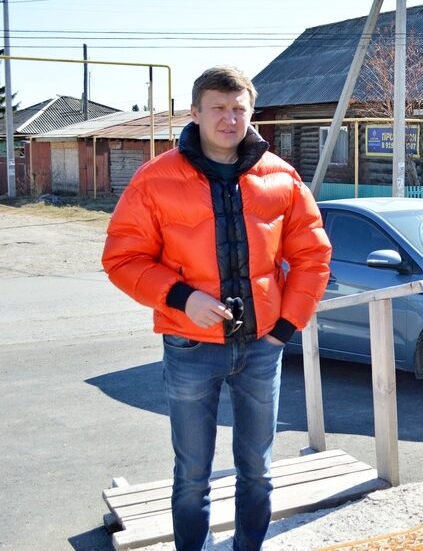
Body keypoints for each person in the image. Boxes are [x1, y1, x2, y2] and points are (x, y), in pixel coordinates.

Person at [102, 66, 331, 551]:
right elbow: (122, 258)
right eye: (218, 108)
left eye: (238, 109)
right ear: (196, 112)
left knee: (258, 473)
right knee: (191, 475)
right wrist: (182, 297)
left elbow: (312, 255)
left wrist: (286, 325)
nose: (229, 119)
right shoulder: (155, 180)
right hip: (189, 347)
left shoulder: (281, 177)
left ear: (251, 112)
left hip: (262, 349)